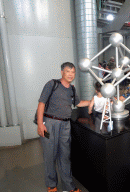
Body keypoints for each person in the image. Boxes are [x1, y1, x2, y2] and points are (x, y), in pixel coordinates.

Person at [36, 62, 90, 192]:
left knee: (64, 156)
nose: (71, 74)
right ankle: (51, 185)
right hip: (49, 124)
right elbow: (41, 103)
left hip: (66, 125)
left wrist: (93, 100)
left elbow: (79, 103)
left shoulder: (72, 89)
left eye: (73, 72)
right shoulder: (52, 84)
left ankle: (68, 187)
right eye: (68, 71)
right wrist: (40, 124)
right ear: (62, 72)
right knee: (50, 155)